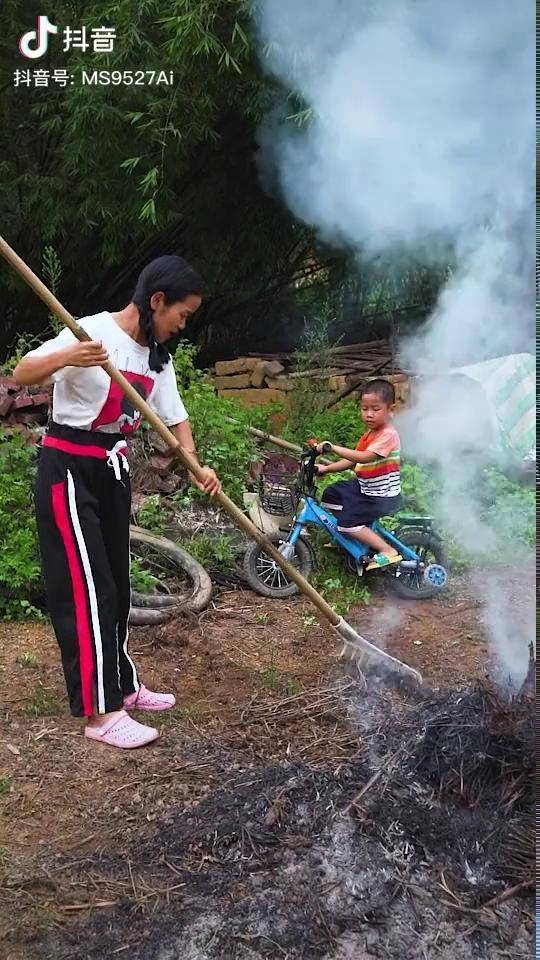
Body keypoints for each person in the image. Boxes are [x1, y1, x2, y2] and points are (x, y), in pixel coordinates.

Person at [13, 255, 221, 749]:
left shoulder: (156, 357)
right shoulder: (89, 332)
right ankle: (101, 713)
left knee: (116, 585)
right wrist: (69, 357)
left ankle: (122, 686)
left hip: (112, 471)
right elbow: (23, 372)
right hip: (70, 469)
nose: (182, 325)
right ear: (157, 301)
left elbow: (175, 418)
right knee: (87, 587)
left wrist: (195, 461)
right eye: (182, 314)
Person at [315, 379, 402, 569]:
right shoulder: (370, 434)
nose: (369, 414)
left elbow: (363, 457)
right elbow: (353, 460)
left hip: (381, 496)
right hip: (365, 488)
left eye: (375, 409)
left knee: (346, 523)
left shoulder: (388, 434)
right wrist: (327, 469)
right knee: (330, 495)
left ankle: (387, 550)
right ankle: (352, 533)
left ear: (391, 409)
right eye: (364, 409)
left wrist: (332, 447)